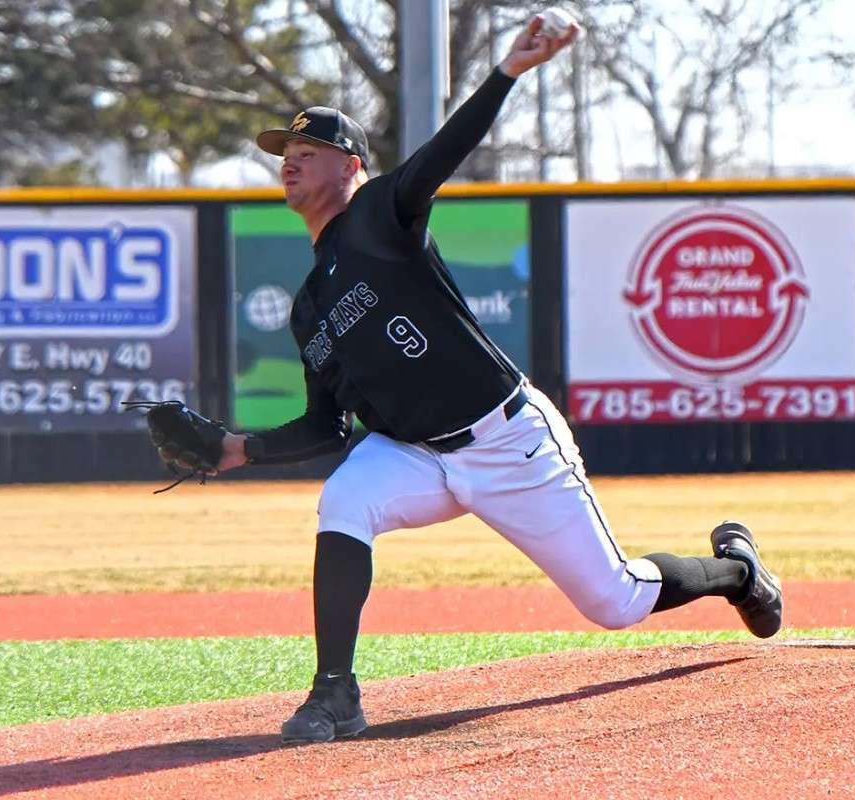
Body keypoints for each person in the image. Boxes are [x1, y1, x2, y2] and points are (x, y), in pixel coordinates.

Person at [215, 14, 783, 744]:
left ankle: (735, 572)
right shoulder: (308, 307)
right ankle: (335, 695)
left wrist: (507, 72)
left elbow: (443, 152)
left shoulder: (381, 217)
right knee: (345, 499)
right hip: (418, 455)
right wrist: (237, 448)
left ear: (350, 165)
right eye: (283, 153)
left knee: (612, 601)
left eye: (307, 148)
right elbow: (325, 426)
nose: (288, 161)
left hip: (506, 439)